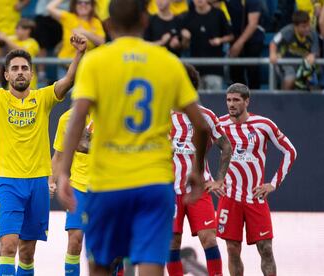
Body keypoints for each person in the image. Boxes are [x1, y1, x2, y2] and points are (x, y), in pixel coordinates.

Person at [56, 0, 210, 275]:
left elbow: (77, 118)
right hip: (153, 182)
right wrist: (197, 170)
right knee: (150, 265)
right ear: (145, 21)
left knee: (101, 265)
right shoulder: (167, 61)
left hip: (107, 182)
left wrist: (64, 172)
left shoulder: (96, 61)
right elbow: (201, 125)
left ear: (108, 25)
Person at [0, 24, 87, 276]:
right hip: (7, 182)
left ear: (31, 74)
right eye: (15, 68)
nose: (20, 72)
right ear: (6, 75)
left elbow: (69, 80)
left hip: (38, 182)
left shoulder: (44, 98)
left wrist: (79, 53)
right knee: (8, 246)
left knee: (27, 252)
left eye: (24, 68)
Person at [217, 83, 297, 276]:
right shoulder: (220, 126)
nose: (231, 104)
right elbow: (199, 149)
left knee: (266, 249)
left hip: (255, 198)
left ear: (247, 101)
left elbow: (290, 151)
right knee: (232, 250)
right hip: (230, 198)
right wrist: (212, 179)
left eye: (236, 100)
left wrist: (273, 183)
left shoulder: (263, 125)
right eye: (228, 100)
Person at [167, 64, 232, 276]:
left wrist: (220, 179)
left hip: (199, 188)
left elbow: (226, 146)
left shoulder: (206, 116)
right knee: (172, 242)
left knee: (209, 238)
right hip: (169, 189)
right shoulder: (161, 116)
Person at [51, 109, 92, 276]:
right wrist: (51, 181)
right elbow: (59, 155)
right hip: (78, 186)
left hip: (106, 186)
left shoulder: (111, 112)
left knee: (111, 246)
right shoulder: (67, 119)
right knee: (75, 240)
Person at [180, 0, 234, 90]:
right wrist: (185, 39)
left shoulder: (218, 14)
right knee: (198, 103)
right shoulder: (188, 16)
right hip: (195, 69)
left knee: (214, 101)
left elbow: (231, 36)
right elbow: (184, 46)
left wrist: (220, 40)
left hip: (215, 68)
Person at [47, 0, 105, 77]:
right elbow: (49, 8)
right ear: (75, 5)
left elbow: (102, 42)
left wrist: (85, 32)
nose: (83, 5)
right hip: (65, 65)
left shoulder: (96, 22)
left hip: (84, 66)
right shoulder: (69, 17)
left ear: (92, 6)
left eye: (87, 3)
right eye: (79, 2)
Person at [270, 10, 319, 90]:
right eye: (303, 26)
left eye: (308, 25)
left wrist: (313, 55)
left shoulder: (313, 33)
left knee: (312, 83)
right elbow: (273, 42)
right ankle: (284, 100)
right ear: (295, 26)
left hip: (304, 64)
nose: (307, 29)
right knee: (290, 78)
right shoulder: (287, 31)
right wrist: (273, 54)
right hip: (286, 62)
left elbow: (315, 51)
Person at [226, 0, 265, 89]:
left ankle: (255, 100)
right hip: (234, 38)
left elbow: (252, 24)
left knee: (253, 73)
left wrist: (239, 44)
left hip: (253, 40)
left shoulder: (253, 2)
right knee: (235, 76)